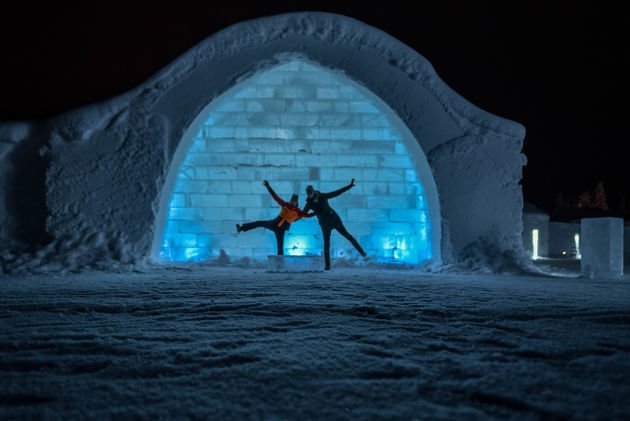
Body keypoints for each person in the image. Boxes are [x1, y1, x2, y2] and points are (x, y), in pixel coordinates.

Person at [303, 179, 366, 270]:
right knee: (326, 244)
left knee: (347, 235)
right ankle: (327, 266)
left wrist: (348, 186)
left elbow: (336, 193)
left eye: (310, 193)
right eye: (308, 194)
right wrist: (291, 218)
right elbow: (304, 214)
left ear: (313, 191)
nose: (309, 195)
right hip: (324, 225)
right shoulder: (309, 203)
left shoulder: (322, 196)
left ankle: (361, 252)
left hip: (334, 220)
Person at [236, 180, 312, 255]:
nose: (292, 202)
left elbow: (307, 215)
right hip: (274, 223)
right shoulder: (285, 204)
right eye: (291, 201)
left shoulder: (298, 212)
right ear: (290, 200)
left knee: (280, 247)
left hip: (281, 230)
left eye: (294, 201)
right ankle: (242, 228)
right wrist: (268, 186)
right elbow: (275, 197)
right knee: (259, 223)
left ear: (296, 202)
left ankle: (280, 263)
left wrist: (316, 212)